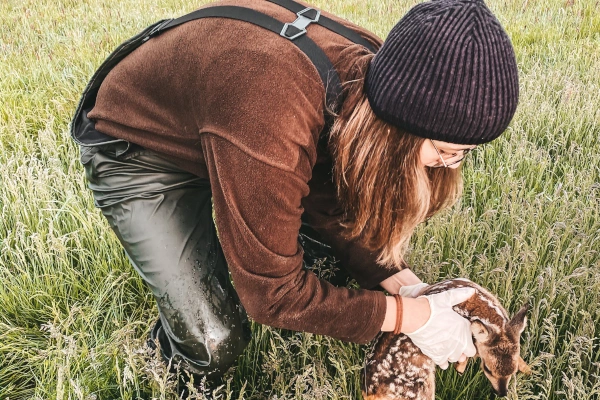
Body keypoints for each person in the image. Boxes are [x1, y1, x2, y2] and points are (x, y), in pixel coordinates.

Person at [73, 0, 519, 390]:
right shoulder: (268, 113)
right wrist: (411, 317)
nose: (451, 166)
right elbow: (272, 297)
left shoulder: (378, 79)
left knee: (336, 238)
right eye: (446, 152)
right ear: (398, 132)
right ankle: (174, 372)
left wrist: (408, 286)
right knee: (214, 341)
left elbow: (335, 191)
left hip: (229, 126)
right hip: (139, 152)